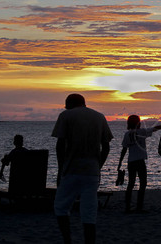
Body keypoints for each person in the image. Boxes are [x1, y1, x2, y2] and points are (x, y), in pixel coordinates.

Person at [52, 94, 113, 244]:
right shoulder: (99, 117)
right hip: (91, 171)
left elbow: (60, 145)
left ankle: (68, 240)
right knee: (89, 212)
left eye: (66, 104)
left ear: (70, 103)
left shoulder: (66, 116)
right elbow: (106, 146)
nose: (65, 107)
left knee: (61, 207)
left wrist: (60, 169)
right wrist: (98, 166)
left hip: (71, 169)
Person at [117, 115, 161, 213]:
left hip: (131, 161)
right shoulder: (141, 132)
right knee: (143, 183)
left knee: (130, 184)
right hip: (140, 161)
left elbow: (124, 149)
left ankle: (128, 207)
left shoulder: (127, 134)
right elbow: (155, 128)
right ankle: (139, 207)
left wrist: (120, 163)